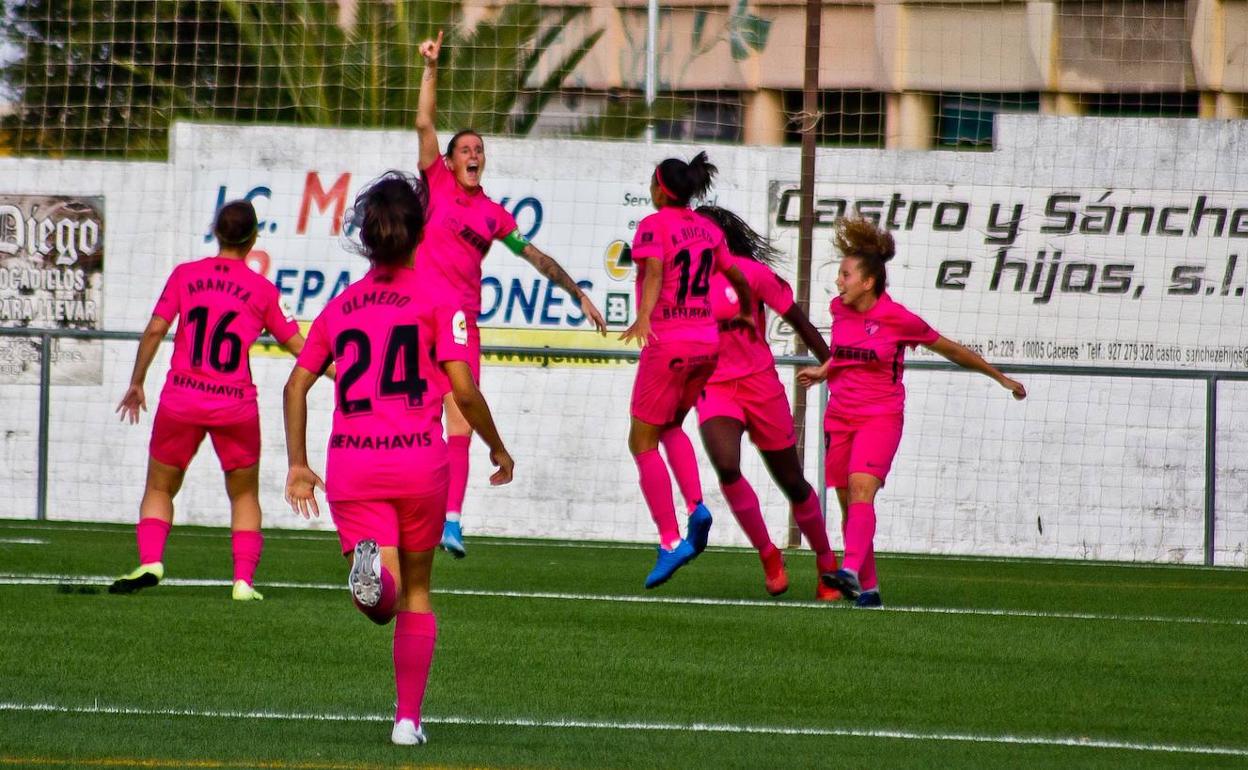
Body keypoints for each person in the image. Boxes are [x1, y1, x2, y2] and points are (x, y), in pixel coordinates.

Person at [283, 170, 514, 747]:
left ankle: (368, 575)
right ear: (418, 234)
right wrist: (496, 446)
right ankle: (407, 721)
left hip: (352, 465)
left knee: (381, 597)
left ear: (367, 235)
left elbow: (294, 388)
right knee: (416, 592)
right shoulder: (441, 301)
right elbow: (462, 390)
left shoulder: (340, 308)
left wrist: (296, 464)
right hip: (418, 463)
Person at [414, 31, 606, 559]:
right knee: (414, 416)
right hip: (416, 315)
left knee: (460, 418)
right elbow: (425, 124)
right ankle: (415, 509)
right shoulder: (435, 181)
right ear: (449, 162)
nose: (473, 154)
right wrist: (431, 68)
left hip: (459, 323)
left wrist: (578, 294)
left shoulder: (494, 215)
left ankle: (451, 522)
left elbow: (535, 257)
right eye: (465, 150)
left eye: (479, 149)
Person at [797, 216, 1026, 607]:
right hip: (839, 415)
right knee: (845, 502)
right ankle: (867, 591)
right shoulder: (839, 309)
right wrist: (824, 370)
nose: (839, 282)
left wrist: (999, 377)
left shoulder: (897, 318)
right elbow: (844, 354)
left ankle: (849, 570)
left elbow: (950, 349)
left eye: (845, 275)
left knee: (861, 491)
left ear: (868, 282)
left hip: (880, 416)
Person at [110, 200, 304, 601]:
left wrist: (137, 382)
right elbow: (295, 344)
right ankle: (243, 582)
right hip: (234, 404)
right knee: (245, 495)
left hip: (182, 397)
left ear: (216, 232)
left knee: (160, 487)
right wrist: (345, 373)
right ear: (253, 239)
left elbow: (154, 331)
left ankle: (151, 560)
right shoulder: (262, 290)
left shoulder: (185, 275)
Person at [620, 153, 756, 589]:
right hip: (706, 344)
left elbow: (656, 268)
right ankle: (696, 506)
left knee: (640, 441)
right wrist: (748, 310)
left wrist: (644, 315)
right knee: (671, 424)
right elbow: (735, 273)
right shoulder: (708, 229)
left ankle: (668, 539)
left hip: (669, 342)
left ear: (660, 188)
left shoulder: (653, 226)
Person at [693, 205, 842, 600]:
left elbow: (800, 322)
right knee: (727, 467)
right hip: (714, 388)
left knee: (792, 483)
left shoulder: (751, 274)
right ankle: (768, 555)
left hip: (761, 386)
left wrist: (832, 365)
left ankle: (827, 562)